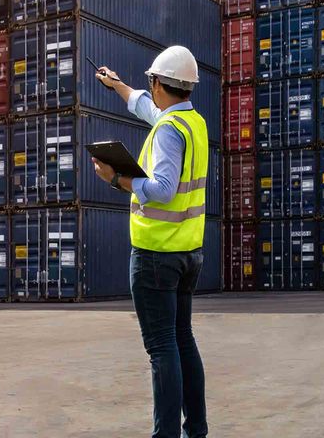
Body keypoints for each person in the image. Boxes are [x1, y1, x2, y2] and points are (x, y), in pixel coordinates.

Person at [91, 45, 209, 438]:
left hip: (157, 255)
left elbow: (161, 189)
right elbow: (148, 109)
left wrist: (115, 178)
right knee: (182, 342)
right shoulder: (192, 123)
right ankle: (196, 430)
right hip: (188, 252)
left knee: (162, 349)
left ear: (159, 83)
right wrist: (118, 86)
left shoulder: (168, 133)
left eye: (150, 82)